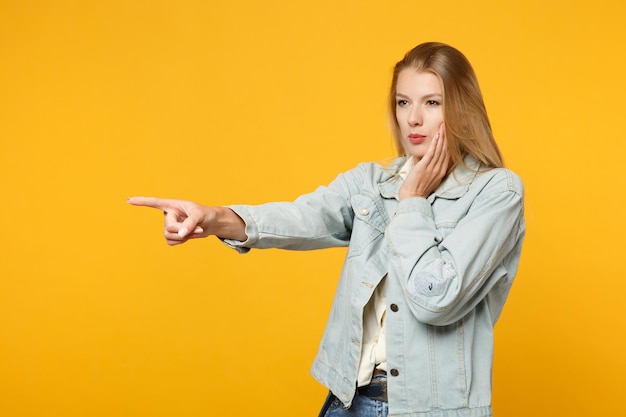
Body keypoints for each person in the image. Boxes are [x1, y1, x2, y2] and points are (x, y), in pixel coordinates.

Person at [128, 42, 525, 417]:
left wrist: (413, 200)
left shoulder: (496, 192)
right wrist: (213, 218)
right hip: (348, 401)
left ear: (461, 108)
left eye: (431, 103)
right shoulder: (371, 182)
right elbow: (303, 216)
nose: (413, 118)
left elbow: (436, 299)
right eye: (403, 102)